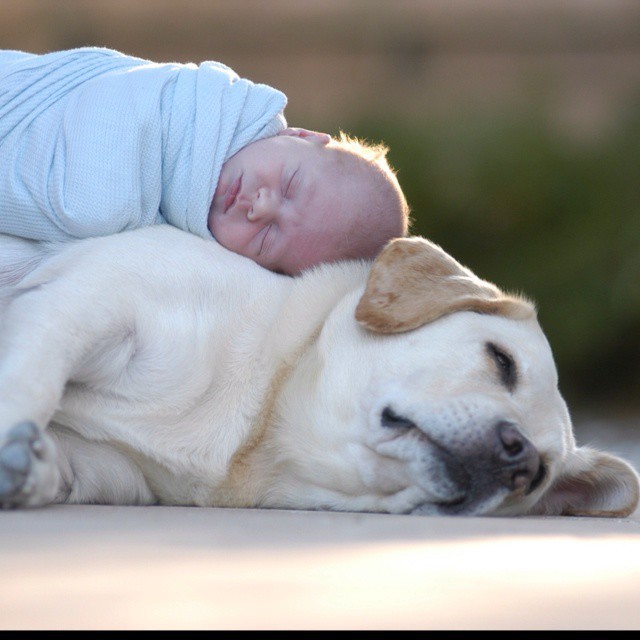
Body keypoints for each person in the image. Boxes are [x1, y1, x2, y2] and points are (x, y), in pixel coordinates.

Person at [0, 47, 409, 275]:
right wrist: (104, 212)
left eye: (268, 238)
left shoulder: (191, 251)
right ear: (301, 136)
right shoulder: (201, 103)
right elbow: (111, 111)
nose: (261, 206)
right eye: (290, 184)